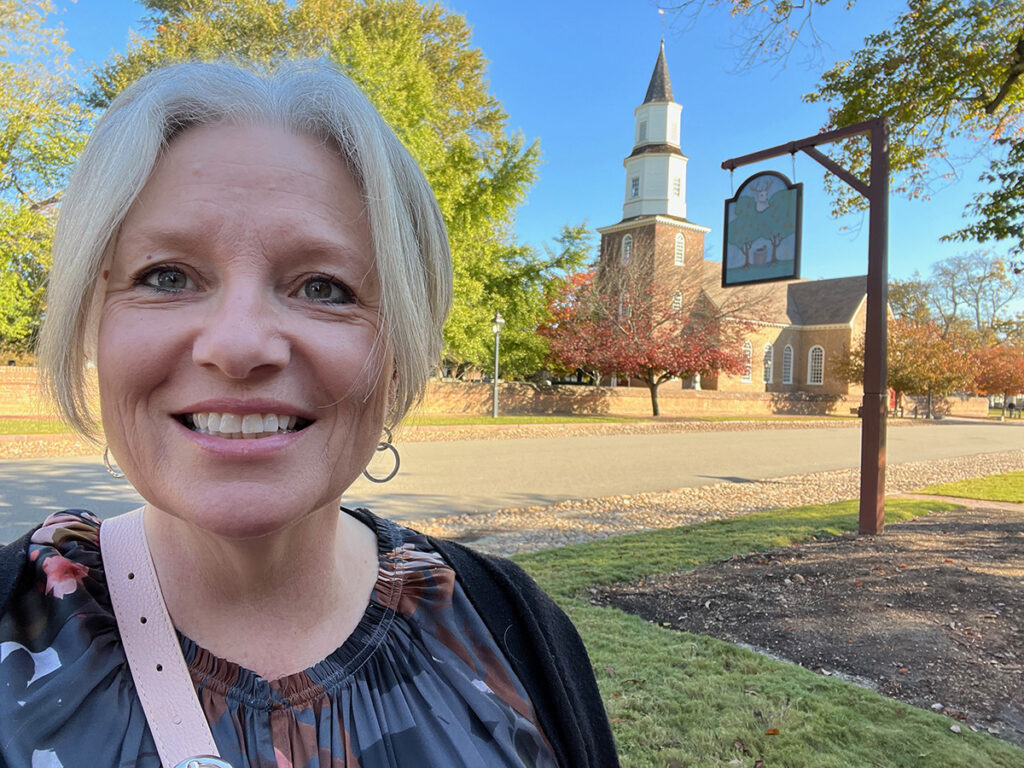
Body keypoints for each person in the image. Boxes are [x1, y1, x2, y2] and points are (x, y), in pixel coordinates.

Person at [0, 61, 618, 767]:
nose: (237, 346)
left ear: (398, 347)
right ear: (93, 319)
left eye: (324, 287)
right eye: (165, 276)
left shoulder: (514, 631)